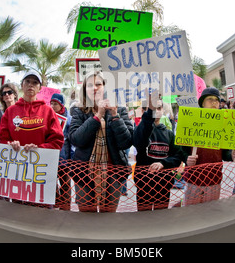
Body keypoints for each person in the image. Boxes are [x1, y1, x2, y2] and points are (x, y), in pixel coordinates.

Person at [68, 71, 133, 212]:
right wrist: (97, 116)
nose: (95, 88)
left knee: (107, 217)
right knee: (87, 216)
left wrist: (115, 116)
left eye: (98, 84)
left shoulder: (119, 109)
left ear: (105, 87)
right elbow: (76, 139)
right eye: (90, 85)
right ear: (85, 90)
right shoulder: (79, 111)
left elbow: (126, 142)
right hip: (84, 173)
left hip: (113, 173)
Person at [0, 71, 64, 205]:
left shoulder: (48, 111)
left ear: (40, 88)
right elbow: (3, 138)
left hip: (41, 172)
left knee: (41, 212)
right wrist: (11, 144)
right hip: (17, 172)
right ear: (21, 85)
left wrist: (39, 149)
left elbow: (57, 140)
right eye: (27, 81)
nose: (31, 85)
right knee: (17, 210)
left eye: (35, 83)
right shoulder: (10, 112)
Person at [133, 94, 184, 211]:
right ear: (145, 110)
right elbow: (139, 140)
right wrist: (149, 113)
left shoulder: (169, 134)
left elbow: (178, 156)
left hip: (163, 185)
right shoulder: (140, 130)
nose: (156, 111)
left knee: (161, 219)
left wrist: (163, 163)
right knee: (144, 218)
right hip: (143, 185)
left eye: (159, 108)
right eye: (153, 108)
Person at [182, 87, 225, 205]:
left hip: (214, 180)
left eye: (216, 100)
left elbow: (226, 153)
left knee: (210, 214)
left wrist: (234, 154)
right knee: (191, 214)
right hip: (193, 180)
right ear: (202, 103)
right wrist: (187, 158)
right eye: (210, 99)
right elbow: (181, 149)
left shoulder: (223, 124)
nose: (214, 102)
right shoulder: (191, 122)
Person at [50, 92, 74, 210]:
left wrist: (72, 158)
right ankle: (57, 202)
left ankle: (66, 208)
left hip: (64, 158)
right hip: (51, 157)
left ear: (62, 105)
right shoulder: (48, 118)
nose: (53, 106)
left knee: (65, 184)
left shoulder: (69, 120)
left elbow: (72, 141)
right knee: (51, 183)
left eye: (55, 104)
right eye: (51, 103)